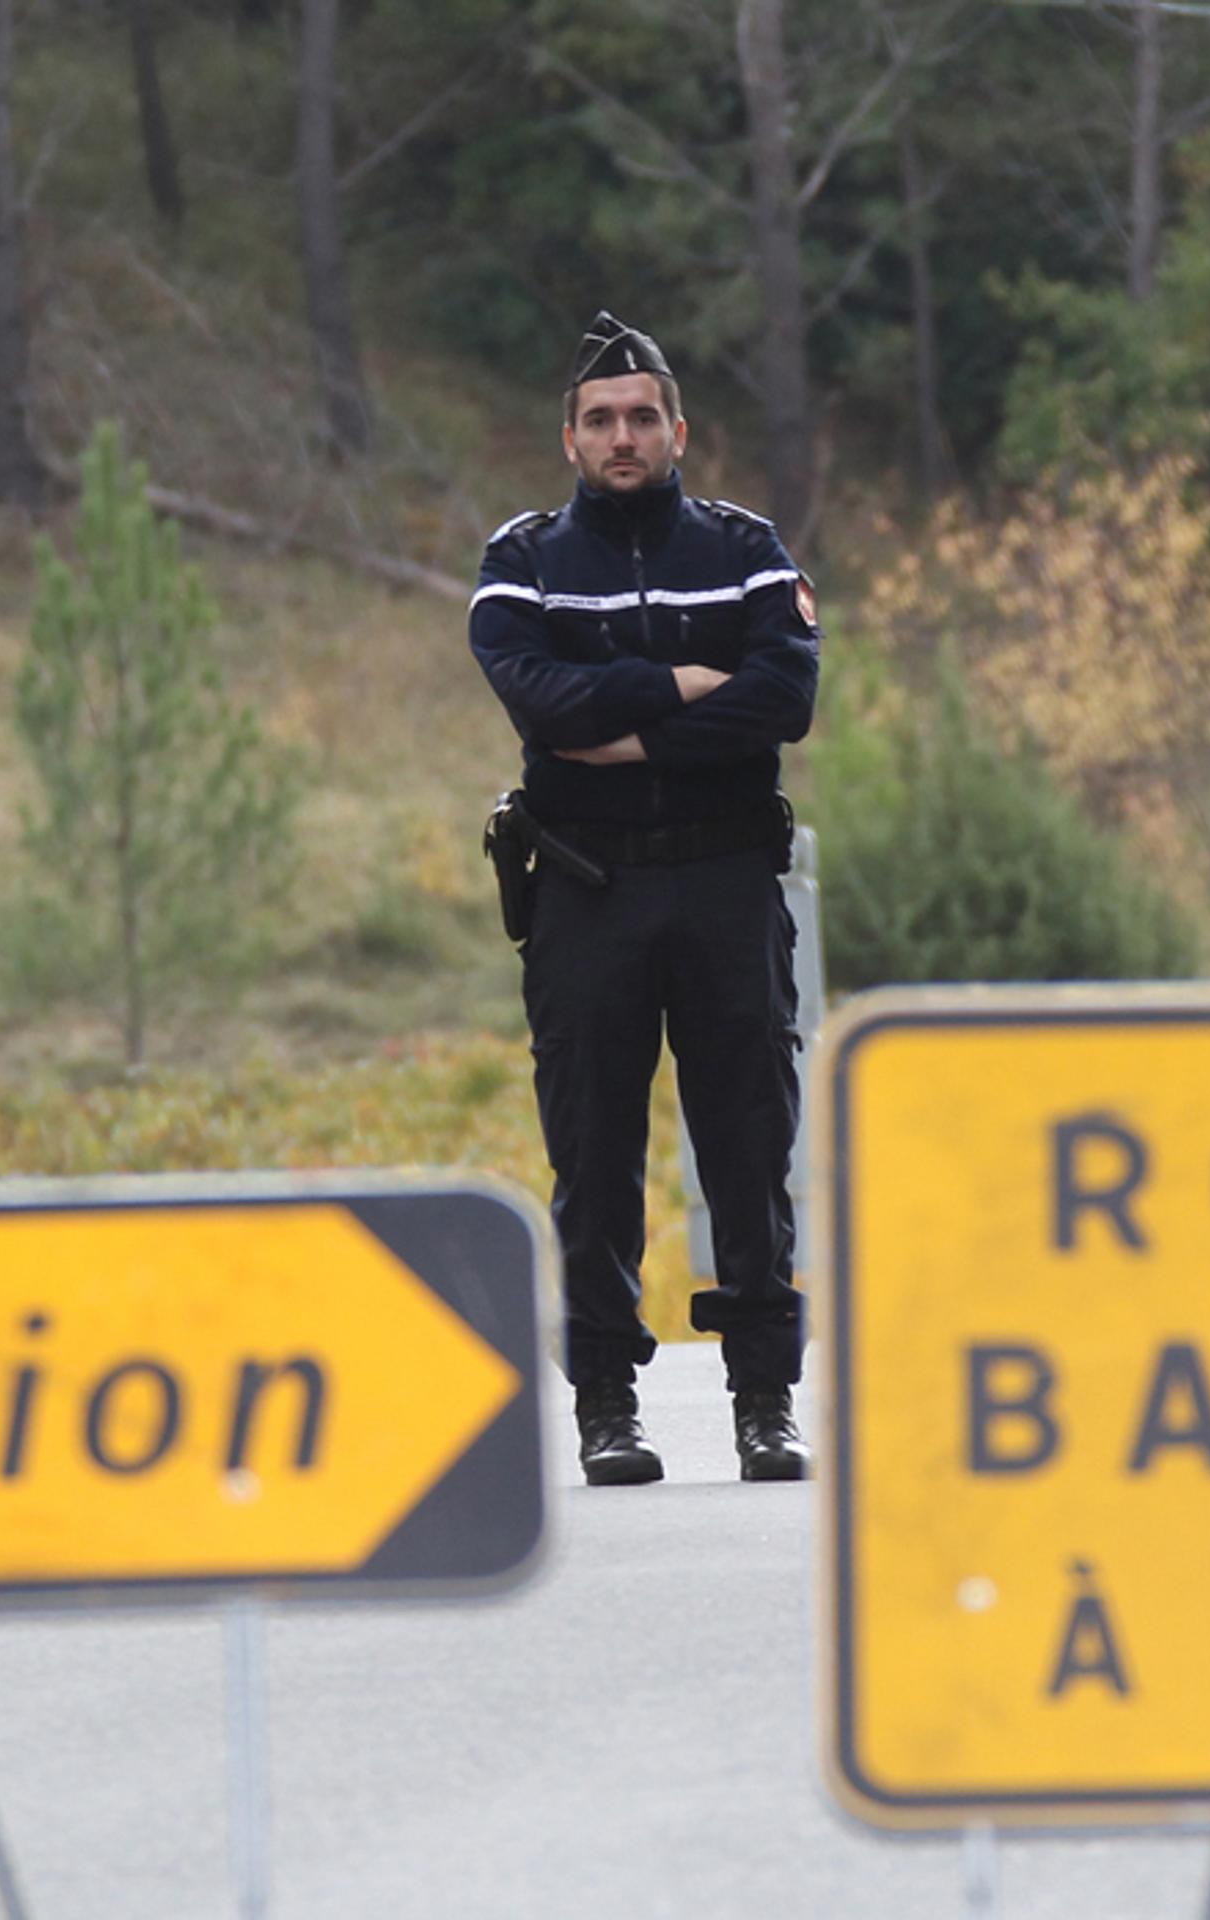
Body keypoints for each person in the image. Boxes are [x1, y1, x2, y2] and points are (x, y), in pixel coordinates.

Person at [470, 311, 818, 1485]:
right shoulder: (522, 563)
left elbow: (782, 700)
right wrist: (678, 684)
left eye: (643, 417)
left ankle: (764, 1401)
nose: (624, 436)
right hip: (588, 890)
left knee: (750, 1146)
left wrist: (619, 726)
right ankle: (608, 1404)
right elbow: (541, 710)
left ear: (680, 429)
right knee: (594, 1153)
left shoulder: (746, 548)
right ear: (567, 437)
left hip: (725, 881)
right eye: (602, 419)